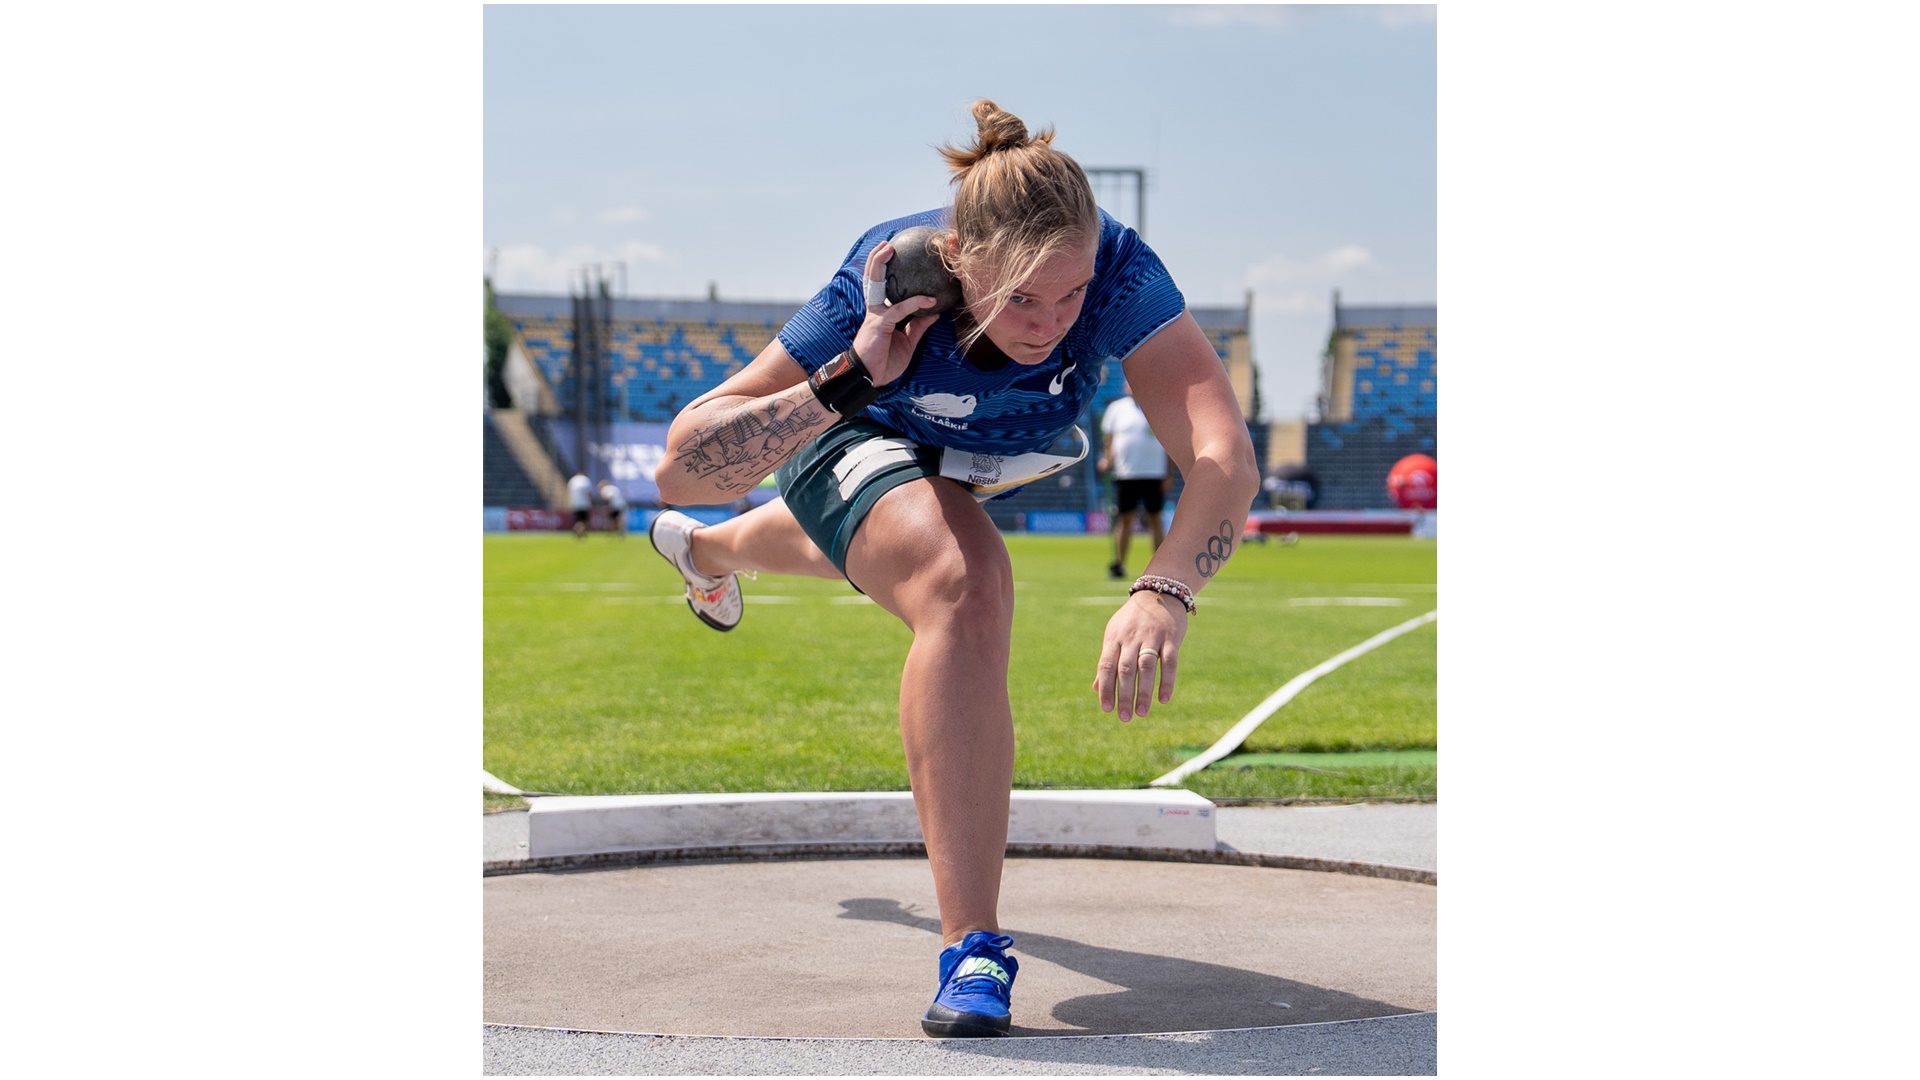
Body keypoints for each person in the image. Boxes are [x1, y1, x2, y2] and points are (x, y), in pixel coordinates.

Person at [649, 100, 1258, 1038]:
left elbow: (1222, 456)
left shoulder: (1125, 274)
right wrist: (846, 376)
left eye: (1070, 296)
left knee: (896, 548)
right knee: (962, 581)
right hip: (857, 424)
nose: (1051, 324)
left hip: (986, 453)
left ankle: (707, 551)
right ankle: (972, 946)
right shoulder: (889, 273)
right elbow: (684, 465)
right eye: (1020, 299)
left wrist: (1163, 587)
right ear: (964, 260)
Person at [1097, 378, 1176, 580]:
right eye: (1129, 383)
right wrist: (1107, 460)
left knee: (1155, 519)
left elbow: (1169, 443)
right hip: (1125, 473)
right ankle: (1119, 564)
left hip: (1154, 474)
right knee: (1125, 518)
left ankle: (1161, 566)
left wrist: (1168, 474)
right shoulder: (1116, 409)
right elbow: (1110, 440)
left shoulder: (1158, 406)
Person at [566, 470, 593, 539]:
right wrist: (591, 502)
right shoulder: (586, 480)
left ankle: (578, 530)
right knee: (584, 520)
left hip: (575, 503)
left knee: (578, 519)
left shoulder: (572, 480)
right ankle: (581, 532)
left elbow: (569, 492)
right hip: (584, 504)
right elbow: (588, 492)